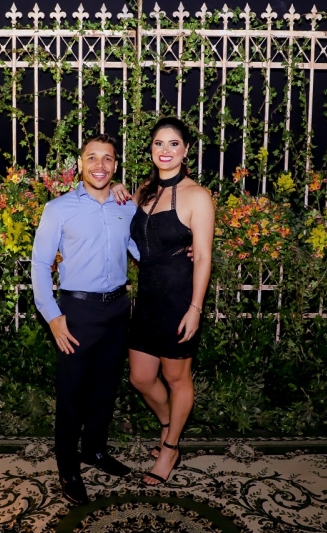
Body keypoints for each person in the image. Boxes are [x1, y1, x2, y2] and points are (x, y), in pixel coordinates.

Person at [31, 133, 139, 506]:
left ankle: (94, 450)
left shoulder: (126, 207)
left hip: (117, 309)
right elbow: (40, 264)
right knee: (72, 395)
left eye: (107, 158)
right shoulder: (58, 208)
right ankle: (68, 468)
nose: (99, 165)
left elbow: (142, 250)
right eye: (92, 157)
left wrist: (179, 252)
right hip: (76, 312)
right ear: (79, 164)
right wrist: (53, 317)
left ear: (116, 165)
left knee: (105, 390)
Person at [127, 116, 215, 486]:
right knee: (140, 377)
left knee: (177, 378)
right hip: (147, 299)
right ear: (151, 149)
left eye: (173, 143)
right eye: (159, 143)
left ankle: (170, 448)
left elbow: (204, 256)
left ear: (186, 150)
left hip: (179, 300)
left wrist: (195, 308)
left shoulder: (198, 196)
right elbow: (124, 229)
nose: (165, 150)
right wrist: (115, 189)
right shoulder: (142, 192)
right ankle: (168, 425)